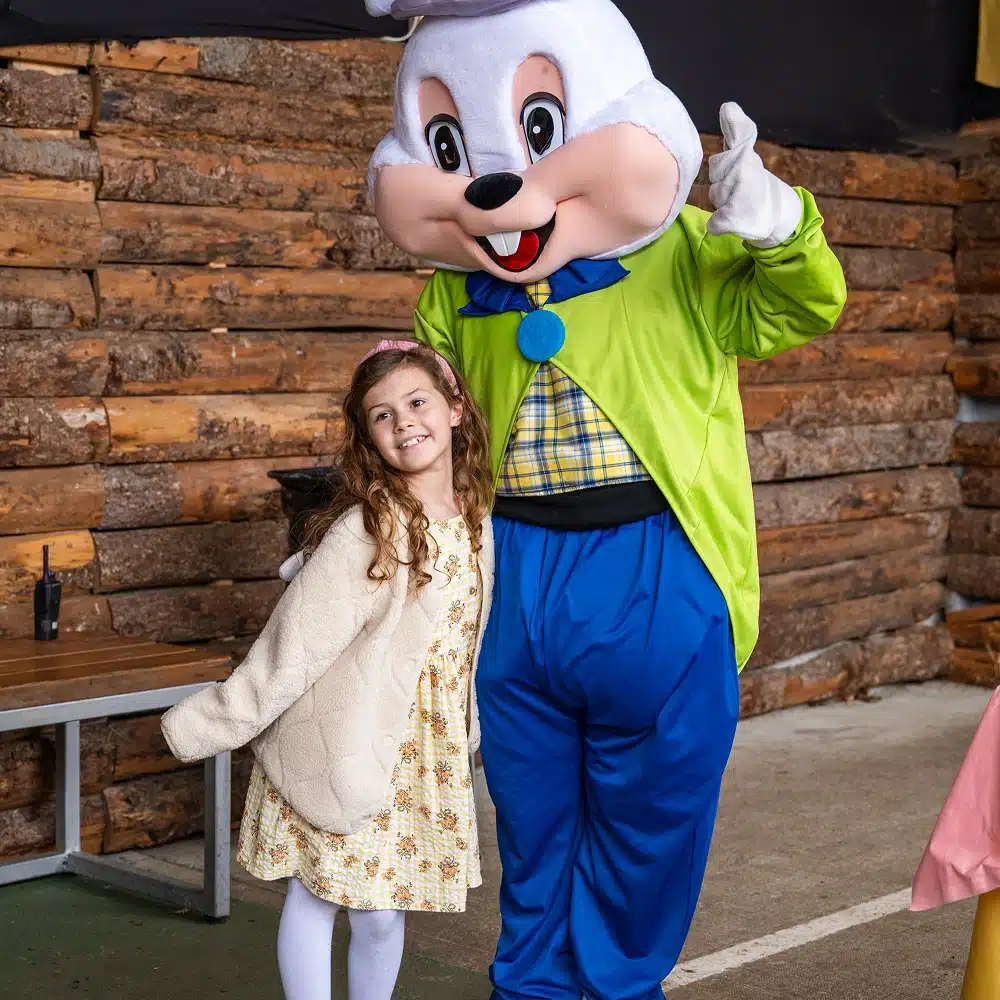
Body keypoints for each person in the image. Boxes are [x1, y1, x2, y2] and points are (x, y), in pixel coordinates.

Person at [363, 1, 848, 997]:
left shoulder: (686, 250)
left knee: (649, 816)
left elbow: (801, 306)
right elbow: (425, 437)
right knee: (532, 817)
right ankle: (531, 986)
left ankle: (618, 983)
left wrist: (777, 229)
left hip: (653, 562)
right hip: (520, 569)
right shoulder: (453, 294)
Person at [160, 340, 495, 1000]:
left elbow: (465, 643)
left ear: (455, 409)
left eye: (418, 402)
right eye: (382, 415)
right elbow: (294, 647)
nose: (405, 423)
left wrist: (467, 727)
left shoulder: (474, 519)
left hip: (415, 752)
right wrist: (210, 722)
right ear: (369, 437)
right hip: (344, 739)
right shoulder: (372, 530)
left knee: (381, 910)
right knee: (320, 898)